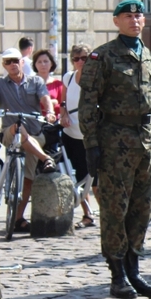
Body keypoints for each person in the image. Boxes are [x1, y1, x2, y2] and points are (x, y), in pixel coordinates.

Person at [78, 0, 151, 299]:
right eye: (127, 16)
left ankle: (134, 267)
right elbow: (87, 103)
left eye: (138, 15)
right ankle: (117, 272)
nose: (134, 20)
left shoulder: (149, 56)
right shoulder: (104, 57)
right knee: (116, 210)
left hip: (145, 143)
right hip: (115, 144)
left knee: (142, 208)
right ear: (116, 21)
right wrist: (91, 145)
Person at [0, 48, 59, 233]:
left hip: (34, 133)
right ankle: (45, 158)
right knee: (17, 126)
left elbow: (45, 97)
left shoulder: (36, 81)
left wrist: (48, 112)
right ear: (3, 65)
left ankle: (17, 218)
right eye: (8, 62)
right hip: (10, 131)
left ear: (22, 62)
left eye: (15, 60)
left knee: (28, 179)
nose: (12, 65)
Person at [59, 44, 97, 229]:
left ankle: (107, 215)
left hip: (91, 134)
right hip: (71, 133)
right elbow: (63, 101)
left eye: (84, 58)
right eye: (76, 59)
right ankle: (87, 213)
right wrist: (63, 114)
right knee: (78, 175)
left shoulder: (96, 78)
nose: (80, 62)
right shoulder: (68, 77)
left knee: (95, 177)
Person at [33, 49, 62, 117]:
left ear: (51, 63)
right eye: (39, 62)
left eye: (45, 61)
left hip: (53, 122)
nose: (43, 64)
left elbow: (63, 106)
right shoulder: (29, 84)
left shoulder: (58, 84)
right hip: (34, 122)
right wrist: (52, 102)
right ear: (35, 64)